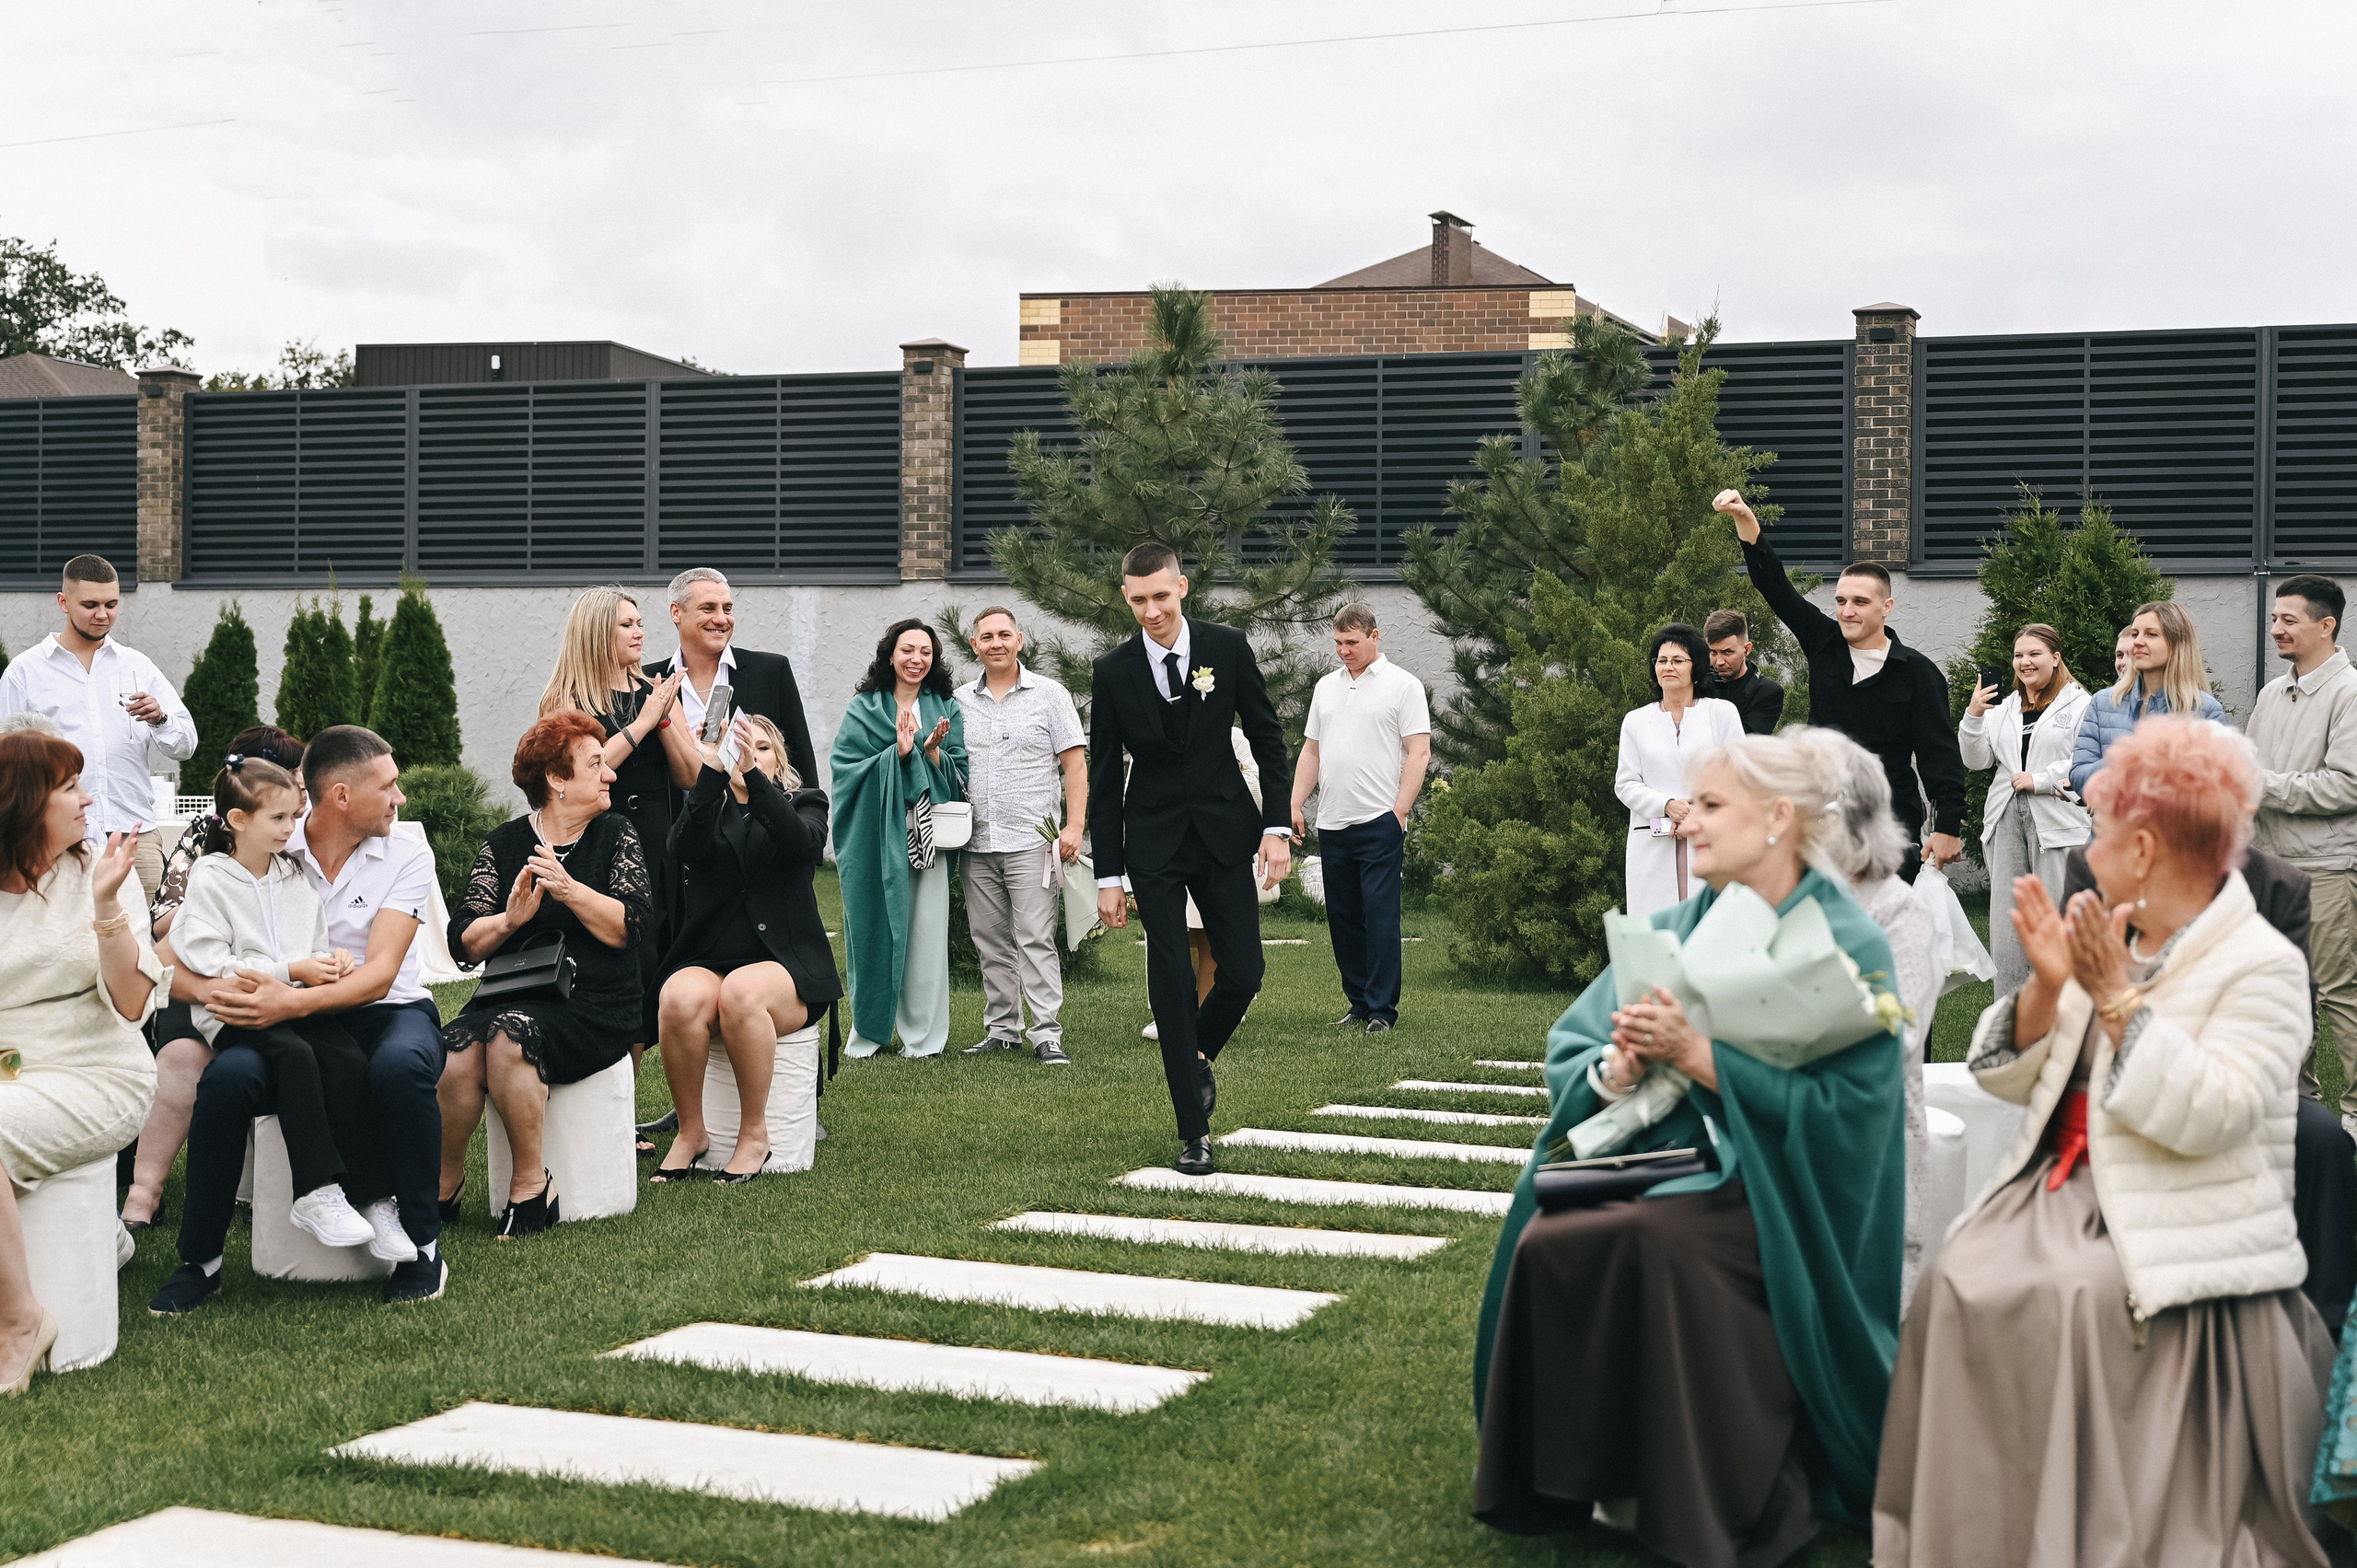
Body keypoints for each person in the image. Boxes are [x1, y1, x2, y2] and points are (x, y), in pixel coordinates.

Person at [1875, 716, 2334, 1566]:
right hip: (2062, 1186)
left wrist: (2120, 1003)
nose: (2093, 844)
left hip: (2174, 1205)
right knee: (1957, 1280)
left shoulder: (2259, 964)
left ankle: (2071, 1531)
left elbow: (2217, 1115)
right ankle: (1983, 1527)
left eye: (2107, 829)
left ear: (2149, 848)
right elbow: (2004, 1077)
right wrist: (2049, 991)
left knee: (2065, 1299)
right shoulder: (2113, 930)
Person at [1473, 733, 1905, 1562]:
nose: (1687, 824)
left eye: (1711, 807)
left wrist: (1701, 1058)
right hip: (1658, 1163)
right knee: (1552, 1236)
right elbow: (1574, 1047)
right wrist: (1619, 1063)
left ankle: (1710, 1498)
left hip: (1778, 1197)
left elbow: (1855, 1114)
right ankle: (1574, 1476)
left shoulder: (1849, 943)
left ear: (1779, 818)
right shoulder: (1667, 927)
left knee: (1655, 1241)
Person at [150, 726, 450, 1312]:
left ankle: (419, 1243)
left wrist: (286, 999)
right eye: (388, 786)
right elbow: (168, 962)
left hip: (380, 1011)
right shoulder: (271, 843)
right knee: (229, 1081)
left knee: (397, 1067)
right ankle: (201, 1261)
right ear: (341, 796)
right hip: (277, 1017)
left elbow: (380, 974)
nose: (400, 798)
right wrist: (229, 997)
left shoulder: (406, 850)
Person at [1091, 542, 1293, 1178]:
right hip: (1151, 839)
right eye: (1139, 599)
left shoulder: (1226, 648)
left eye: (1162, 596)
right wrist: (1108, 874)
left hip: (1225, 832)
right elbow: (1101, 777)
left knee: (1244, 971)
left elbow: (1266, 737)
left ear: (1183, 586)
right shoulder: (1113, 671)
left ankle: (1196, 1053)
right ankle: (1193, 1130)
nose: (1152, 610)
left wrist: (1276, 826)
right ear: (1127, 597)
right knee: (1171, 979)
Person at [168, 757, 397, 1257]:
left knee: (347, 1057)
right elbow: (207, 961)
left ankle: (377, 1198)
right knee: (294, 1057)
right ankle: (314, 1192)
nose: (291, 829)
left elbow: (312, 944)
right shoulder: (209, 878)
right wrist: (291, 970)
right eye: (278, 819)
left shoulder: (294, 877)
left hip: (293, 1006)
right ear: (237, 820)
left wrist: (329, 961)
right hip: (235, 1012)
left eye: (294, 816)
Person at [439, 713, 652, 1238]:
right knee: (454, 1051)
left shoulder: (615, 833)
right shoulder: (506, 843)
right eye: (596, 765)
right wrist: (510, 920)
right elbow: (462, 938)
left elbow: (634, 925)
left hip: (595, 998)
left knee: (511, 1036)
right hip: (513, 987)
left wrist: (569, 888)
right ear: (557, 781)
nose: (611, 776)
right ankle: (444, 1182)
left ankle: (531, 1185)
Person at [0, 730, 160, 1394]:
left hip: (96, 1073)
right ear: (22, 802)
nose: (88, 797)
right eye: (69, 786)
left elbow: (131, 1004)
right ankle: (106, 1237)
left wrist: (104, 908)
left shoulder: (104, 874)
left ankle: (20, 1321)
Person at [1713, 491, 1968, 880]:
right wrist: (1745, 520)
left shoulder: (1917, 673)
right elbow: (1774, 585)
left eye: (1860, 602)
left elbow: (1940, 756)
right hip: (1820, 817)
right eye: (1841, 600)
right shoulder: (1824, 642)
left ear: (1886, 607)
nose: (1847, 611)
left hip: (1889, 822)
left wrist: (1948, 825)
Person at [123, 723, 306, 1231]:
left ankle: (259, 1190)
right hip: (206, 977)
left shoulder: (299, 834)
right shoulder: (206, 838)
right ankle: (144, 1194)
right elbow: (165, 924)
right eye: (289, 773)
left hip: (281, 986)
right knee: (182, 1055)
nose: (300, 786)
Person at [650, 715, 841, 1182]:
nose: (747, 755)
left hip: (788, 967)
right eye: (739, 747)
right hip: (713, 956)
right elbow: (680, 849)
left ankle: (754, 1134)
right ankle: (691, 1131)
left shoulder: (805, 803)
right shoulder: (707, 808)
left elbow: (803, 846)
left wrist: (754, 779)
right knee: (677, 996)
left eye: (761, 748)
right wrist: (711, 772)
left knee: (741, 992)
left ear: (779, 762)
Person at [1789, 725, 1943, 1300]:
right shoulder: (1786, 902)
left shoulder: (1899, 913)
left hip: (1867, 1148)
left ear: (1848, 818)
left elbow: (1894, 1037)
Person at [540, 586, 693, 1057]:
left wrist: (664, 718)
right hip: (596, 847)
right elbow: (577, 773)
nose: (639, 632)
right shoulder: (567, 698)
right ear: (595, 632)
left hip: (655, 847)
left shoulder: (655, 690)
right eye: (625, 624)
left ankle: (620, 1115)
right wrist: (643, 724)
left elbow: (688, 774)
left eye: (639, 622)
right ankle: (607, 1115)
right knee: (608, 974)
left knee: (649, 974)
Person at [0, 554, 197, 901]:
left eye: (111, 604)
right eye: (90, 605)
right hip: (56, 841)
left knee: (146, 946)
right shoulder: (24, 672)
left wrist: (161, 719)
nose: (103, 614)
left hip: (136, 839)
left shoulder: (138, 666)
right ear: (63, 602)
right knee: (67, 947)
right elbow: (7, 763)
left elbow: (186, 746)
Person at [1289, 603, 1431, 1036]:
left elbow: (1418, 751)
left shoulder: (1403, 686)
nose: (1343, 651)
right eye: (1338, 643)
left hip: (1379, 823)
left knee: (1380, 917)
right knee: (1344, 917)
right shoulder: (1325, 688)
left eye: (1351, 643)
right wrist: (1294, 805)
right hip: (1333, 823)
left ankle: (1382, 1012)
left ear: (1374, 636)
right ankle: (1358, 1002)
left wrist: (1399, 812)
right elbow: (1311, 751)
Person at [2247, 575, 2357, 1130]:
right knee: (2283, 993)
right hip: (2267, 865)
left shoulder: (2350, 693)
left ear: (2326, 625)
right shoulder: (2271, 692)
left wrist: (2260, 785)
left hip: (2326, 868)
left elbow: (2348, 785)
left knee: (2339, 995)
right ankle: (2298, 1112)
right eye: (2273, 619)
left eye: (2288, 620)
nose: (2276, 629)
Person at [954, 607, 1086, 1066]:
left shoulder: (1050, 694)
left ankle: (1046, 1032)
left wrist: (1073, 826)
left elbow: (1074, 766)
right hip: (976, 842)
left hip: (1031, 839)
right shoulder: (958, 701)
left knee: (1035, 938)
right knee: (989, 941)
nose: (996, 643)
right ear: (974, 645)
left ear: (1020, 640)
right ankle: (1002, 1029)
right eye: (986, 636)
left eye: (1004, 635)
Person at [831, 620, 966, 1060]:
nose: (916, 659)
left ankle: (923, 1038)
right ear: (890, 654)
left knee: (926, 933)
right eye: (907, 650)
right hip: (874, 837)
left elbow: (960, 778)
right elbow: (847, 771)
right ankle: (869, 1032)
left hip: (926, 837)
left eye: (926, 652)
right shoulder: (863, 709)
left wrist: (929, 752)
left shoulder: (946, 707)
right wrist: (898, 752)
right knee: (870, 928)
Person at [1957, 623, 2094, 995]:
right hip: (2007, 818)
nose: (2024, 662)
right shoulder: (2005, 707)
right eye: (2019, 655)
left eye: (2034, 654)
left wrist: (2043, 779)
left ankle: (2066, 1021)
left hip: (2057, 823)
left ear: (2056, 657)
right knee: (2008, 926)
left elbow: (2089, 759)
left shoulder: (2081, 703)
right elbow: (1977, 760)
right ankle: (2012, 1025)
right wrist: (1973, 715)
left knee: (2057, 922)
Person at [644, 568, 820, 793]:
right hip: (675, 825)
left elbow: (799, 759)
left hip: (756, 823)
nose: (721, 619)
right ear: (676, 612)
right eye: (708, 608)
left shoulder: (771, 671)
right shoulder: (650, 681)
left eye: (727, 609)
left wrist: (812, 818)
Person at [1613, 623, 1744, 920]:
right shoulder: (1635, 721)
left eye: (1677, 660)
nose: (1668, 667)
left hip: (1708, 836)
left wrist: (1697, 812)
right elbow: (1626, 783)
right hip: (1653, 841)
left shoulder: (1720, 713)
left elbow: (1737, 776)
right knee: (1657, 933)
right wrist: (1667, 805)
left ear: (1695, 667)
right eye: (1661, 660)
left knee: (1712, 926)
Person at [2069, 600, 2224, 795]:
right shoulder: (2103, 703)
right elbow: (2078, 777)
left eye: (2151, 634)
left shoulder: (2205, 710)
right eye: (2135, 634)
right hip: (2114, 825)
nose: (2137, 642)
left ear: (2177, 643)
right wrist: (2126, 757)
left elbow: (2215, 792)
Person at [1703, 609, 1787, 736]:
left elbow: (1744, 742)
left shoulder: (1767, 692)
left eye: (1728, 652)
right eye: (1713, 652)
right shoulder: (1697, 682)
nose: (1719, 661)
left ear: (1747, 649)